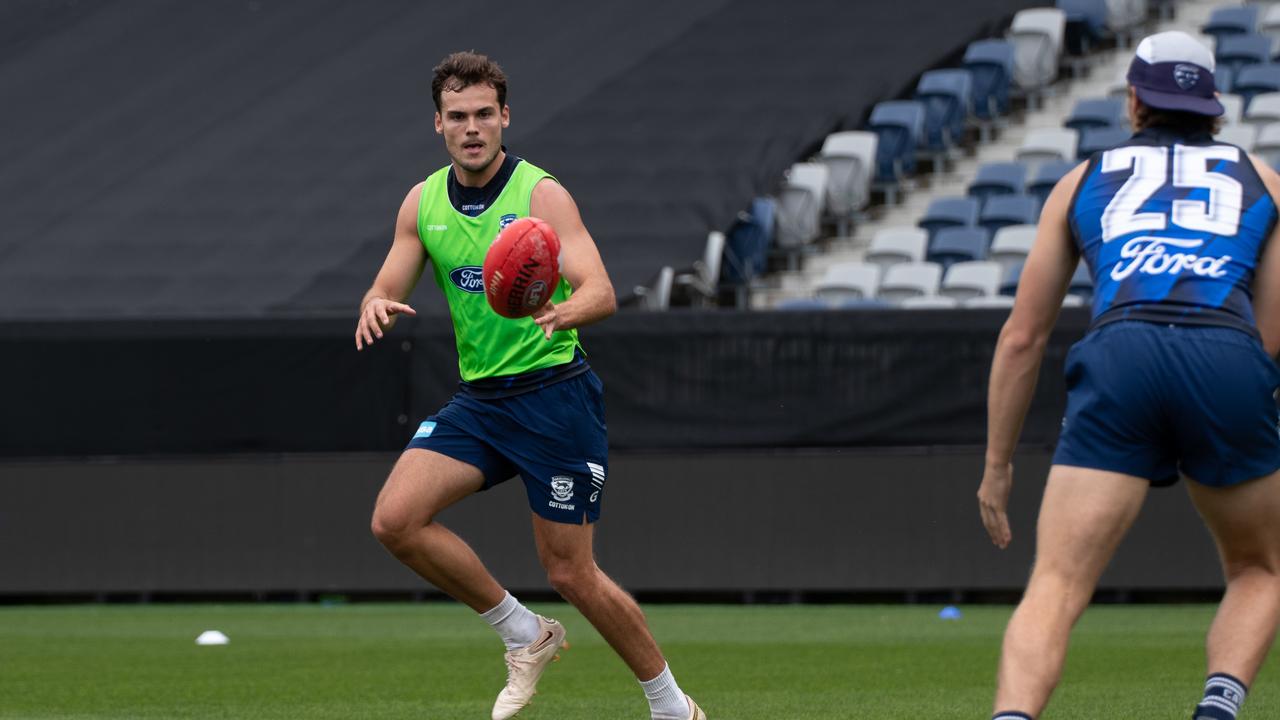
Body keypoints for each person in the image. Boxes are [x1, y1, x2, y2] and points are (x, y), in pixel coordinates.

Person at [354, 51, 705, 720]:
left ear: (505, 116)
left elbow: (601, 290)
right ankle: (524, 633)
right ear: (438, 124)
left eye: (485, 114)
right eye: (458, 117)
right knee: (394, 520)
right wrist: (375, 299)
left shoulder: (541, 195)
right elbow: (388, 280)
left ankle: (671, 708)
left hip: (554, 396)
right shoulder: (423, 202)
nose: (473, 128)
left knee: (571, 572)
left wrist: (563, 310)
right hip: (482, 401)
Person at [977, 31, 1280, 720]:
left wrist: (997, 466)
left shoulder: (1082, 179)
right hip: (1226, 357)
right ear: (1214, 109)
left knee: (1056, 582)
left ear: (1135, 100)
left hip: (1121, 354)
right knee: (1260, 568)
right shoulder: (1263, 180)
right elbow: (1275, 335)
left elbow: (1024, 337)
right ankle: (1217, 707)